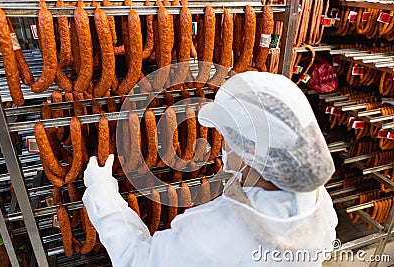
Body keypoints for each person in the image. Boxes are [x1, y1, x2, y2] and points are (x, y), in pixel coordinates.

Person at [83, 72, 338, 266]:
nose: (224, 145)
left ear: (250, 151)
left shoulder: (216, 233)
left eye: (229, 137)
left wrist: (100, 192)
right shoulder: (316, 202)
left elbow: (138, 260)